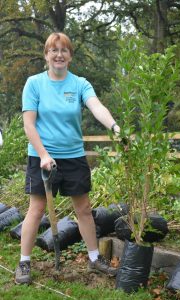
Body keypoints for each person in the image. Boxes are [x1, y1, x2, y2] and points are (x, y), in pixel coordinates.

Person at [15, 32, 120, 284]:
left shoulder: (80, 84)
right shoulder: (34, 83)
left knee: (83, 209)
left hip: (73, 156)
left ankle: (95, 259)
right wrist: (42, 154)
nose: (59, 55)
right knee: (36, 209)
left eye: (64, 50)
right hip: (41, 156)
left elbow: (96, 106)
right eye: (54, 50)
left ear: (70, 56)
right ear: (46, 55)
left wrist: (115, 127)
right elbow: (28, 124)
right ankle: (24, 263)